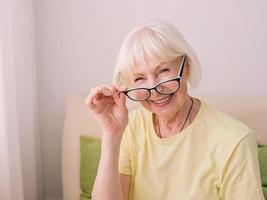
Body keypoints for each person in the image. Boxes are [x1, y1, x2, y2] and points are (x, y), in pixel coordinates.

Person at [85, 20, 264, 200]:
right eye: (139, 79)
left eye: (163, 70)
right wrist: (111, 136)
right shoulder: (130, 128)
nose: (154, 88)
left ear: (187, 68)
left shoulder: (235, 140)